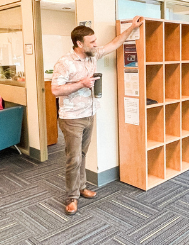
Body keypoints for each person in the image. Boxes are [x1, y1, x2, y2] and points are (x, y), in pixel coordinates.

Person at [52, 16, 143, 215]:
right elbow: (56, 90)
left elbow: (114, 44)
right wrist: (80, 84)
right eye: (91, 42)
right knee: (73, 158)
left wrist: (132, 28)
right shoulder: (65, 63)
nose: (95, 44)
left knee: (82, 155)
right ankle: (71, 197)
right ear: (79, 43)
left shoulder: (93, 55)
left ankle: (81, 187)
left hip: (90, 113)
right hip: (72, 118)